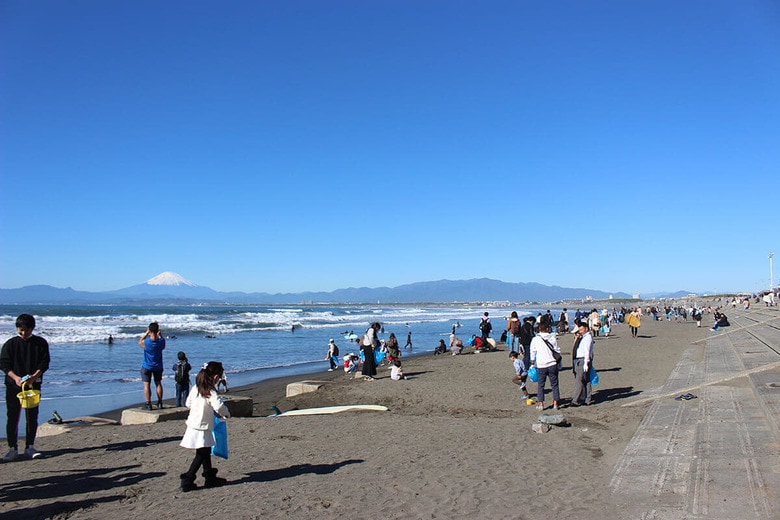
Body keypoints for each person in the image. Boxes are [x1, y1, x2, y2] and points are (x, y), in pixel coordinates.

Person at [1, 314, 50, 461]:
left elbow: (44, 362)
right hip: (13, 385)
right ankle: (12, 448)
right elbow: (4, 364)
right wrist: (15, 378)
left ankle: (29, 446)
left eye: (26, 330)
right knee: (13, 417)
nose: (23, 333)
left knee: (31, 416)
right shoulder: (10, 344)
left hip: (33, 386)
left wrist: (34, 377)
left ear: (32, 329)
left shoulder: (40, 343)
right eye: (21, 330)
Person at [179, 361, 231, 492]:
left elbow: (188, 403)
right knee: (202, 453)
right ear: (215, 377)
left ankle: (210, 477)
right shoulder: (210, 391)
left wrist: (198, 409)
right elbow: (218, 406)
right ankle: (188, 479)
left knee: (205, 451)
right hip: (203, 426)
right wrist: (226, 414)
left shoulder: (196, 388)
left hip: (193, 424)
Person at [530, 316, 561, 411]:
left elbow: (533, 351)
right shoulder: (552, 338)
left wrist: (532, 361)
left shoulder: (536, 339)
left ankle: (541, 404)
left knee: (541, 385)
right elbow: (557, 350)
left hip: (542, 365)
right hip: (552, 363)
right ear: (548, 329)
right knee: (554, 384)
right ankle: (555, 404)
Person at [139, 322, 166, 410]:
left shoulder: (147, 342)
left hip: (147, 365)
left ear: (150, 330)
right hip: (158, 366)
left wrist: (146, 333)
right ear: (158, 330)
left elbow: (140, 342)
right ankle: (160, 402)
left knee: (147, 384)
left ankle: (148, 403)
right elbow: (164, 346)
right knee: (158, 383)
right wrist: (160, 335)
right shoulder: (161, 341)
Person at [570, 321, 594, 406]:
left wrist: (586, 363)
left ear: (586, 329)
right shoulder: (585, 337)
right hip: (582, 359)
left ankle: (576, 400)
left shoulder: (587, 338)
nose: (580, 331)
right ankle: (587, 399)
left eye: (581, 329)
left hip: (583, 359)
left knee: (579, 380)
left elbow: (587, 351)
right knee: (585, 380)